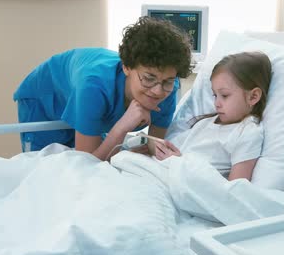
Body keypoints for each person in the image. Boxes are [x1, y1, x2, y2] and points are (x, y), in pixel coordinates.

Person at [13, 16, 193, 160]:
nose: (157, 91)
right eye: (148, 78)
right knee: (43, 170)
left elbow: (154, 146)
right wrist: (121, 127)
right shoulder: (93, 88)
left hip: (85, 95)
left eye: (167, 81)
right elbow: (86, 164)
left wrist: (158, 149)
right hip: (45, 99)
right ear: (126, 67)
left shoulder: (168, 88)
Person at [152, 51, 272, 181]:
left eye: (224, 95)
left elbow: (235, 190)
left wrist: (177, 163)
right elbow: (175, 150)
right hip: (165, 174)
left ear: (253, 96)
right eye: (215, 95)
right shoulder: (205, 122)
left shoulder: (247, 132)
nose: (216, 103)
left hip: (188, 185)